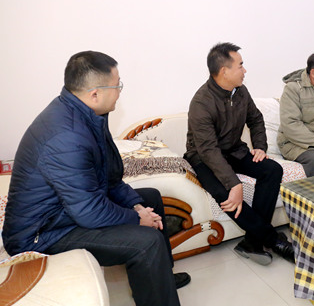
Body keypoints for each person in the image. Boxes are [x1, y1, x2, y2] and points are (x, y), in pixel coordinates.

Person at [2, 51, 189, 306]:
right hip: (42, 234)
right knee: (147, 242)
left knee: (150, 198)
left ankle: (160, 278)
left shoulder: (88, 115)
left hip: (64, 212)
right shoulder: (67, 136)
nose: (120, 92)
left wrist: (136, 207)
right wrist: (137, 218)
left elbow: (109, 179)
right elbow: (89, 211)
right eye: (117, 86)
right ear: (95, 94)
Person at [184, 42, 294, 266]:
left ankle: (251, 242)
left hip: (234, 150)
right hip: (204, 157)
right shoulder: (201, 102)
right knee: (225, 193)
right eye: (240, 65)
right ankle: (273, 240)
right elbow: (208, 150)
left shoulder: (241, 91)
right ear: (224, 71)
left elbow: (256, 119)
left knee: (272, 170)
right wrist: (234, 183)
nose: (245, 70)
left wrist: (260, 147)